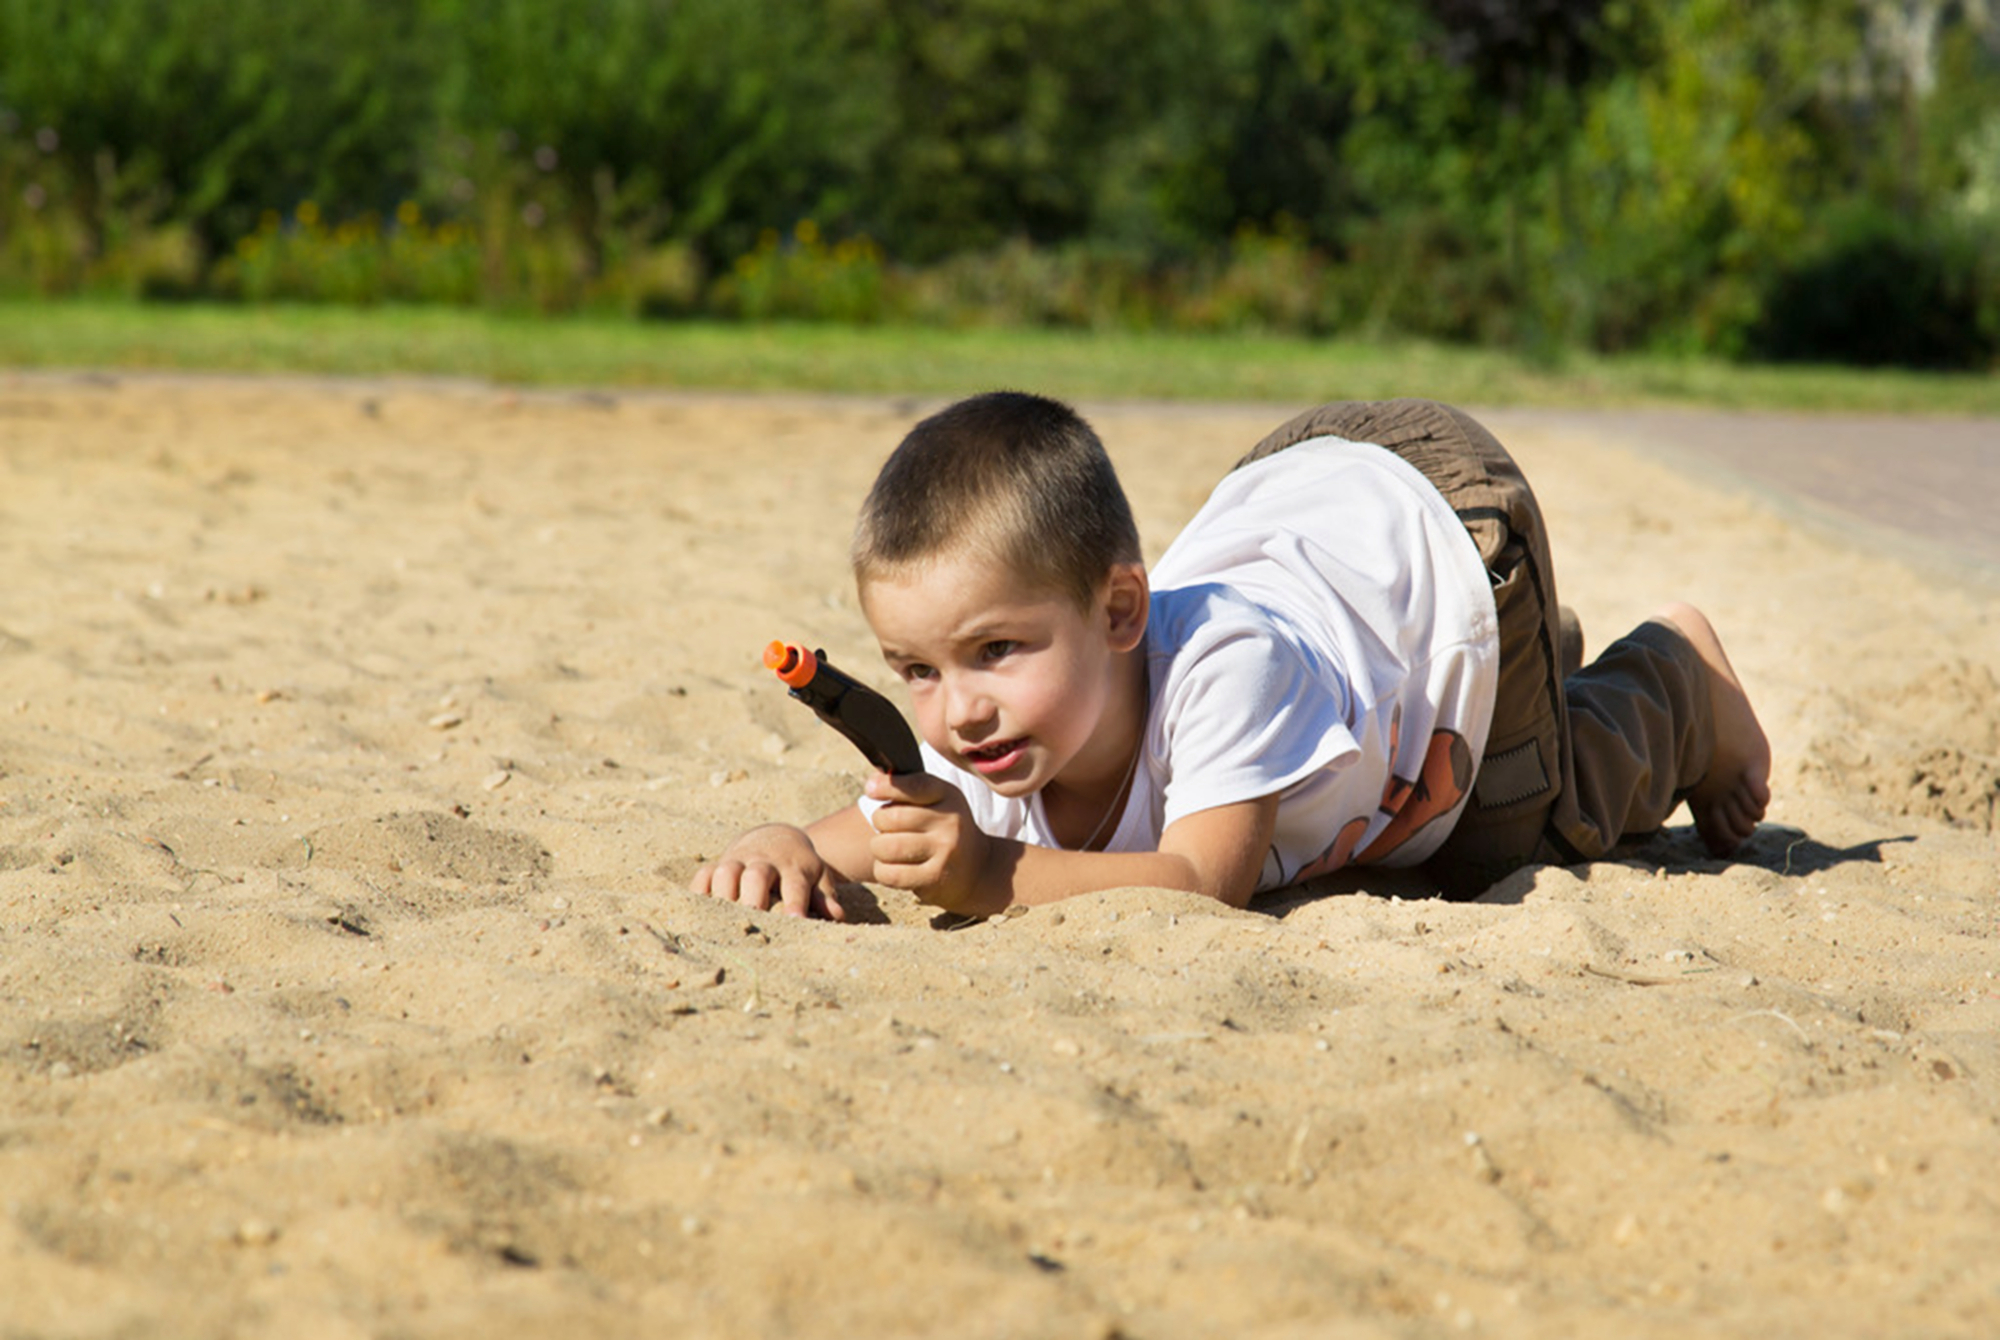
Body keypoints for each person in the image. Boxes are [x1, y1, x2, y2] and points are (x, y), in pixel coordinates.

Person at [691, 393, 1771, 921]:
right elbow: (874, 830)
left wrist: (990, 873)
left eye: (995, 650)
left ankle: (1675, 677)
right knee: (1472, 755)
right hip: (1311, 523)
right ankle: (1531, 672)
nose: (957, 712)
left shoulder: (1225, 669)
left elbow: (1202, 883)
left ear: (1121, 612)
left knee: (1510, 839)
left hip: (1447, 534)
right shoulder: (1002, 725)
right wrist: (782, 842)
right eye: (917, 670)